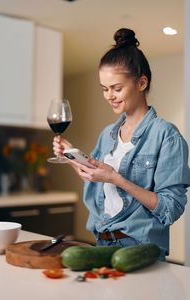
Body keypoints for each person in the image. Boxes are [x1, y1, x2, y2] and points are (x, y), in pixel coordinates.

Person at [53, 28, 190, 260]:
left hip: (139, 249)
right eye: (105, 89)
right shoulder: (108, 134)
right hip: (101, 241)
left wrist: (117, 178)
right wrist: (71, 157)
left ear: (141, 83)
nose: (109, 96)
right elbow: (95, 178)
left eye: (117, 88)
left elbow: (170, 208)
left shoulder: (166, 135)